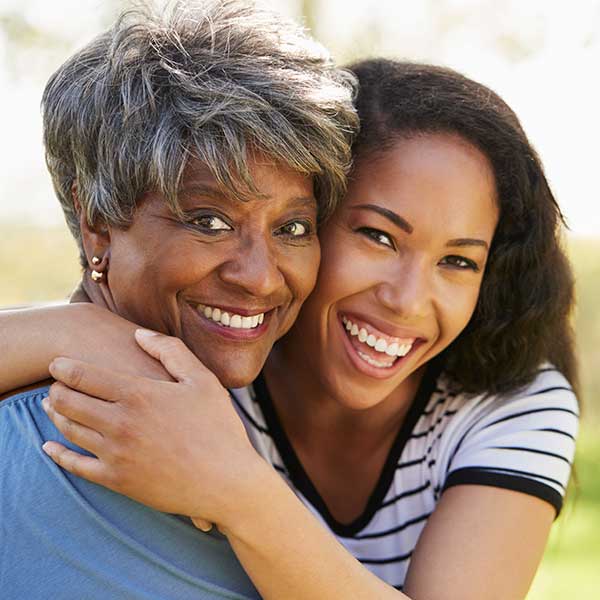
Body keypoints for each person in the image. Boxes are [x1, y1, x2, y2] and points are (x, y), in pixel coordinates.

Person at [0, 58, 578, 599]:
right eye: (378, 236)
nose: (407, 301)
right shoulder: (226, 343)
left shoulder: (513, 405)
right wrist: (79, 331)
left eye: (458, 261)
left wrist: (235, 489)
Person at [0, 2, 358, 598]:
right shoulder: (41, 457)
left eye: (293, 227)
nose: (261, 278)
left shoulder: (256, 425)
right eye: (209, 220)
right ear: (97, 225)